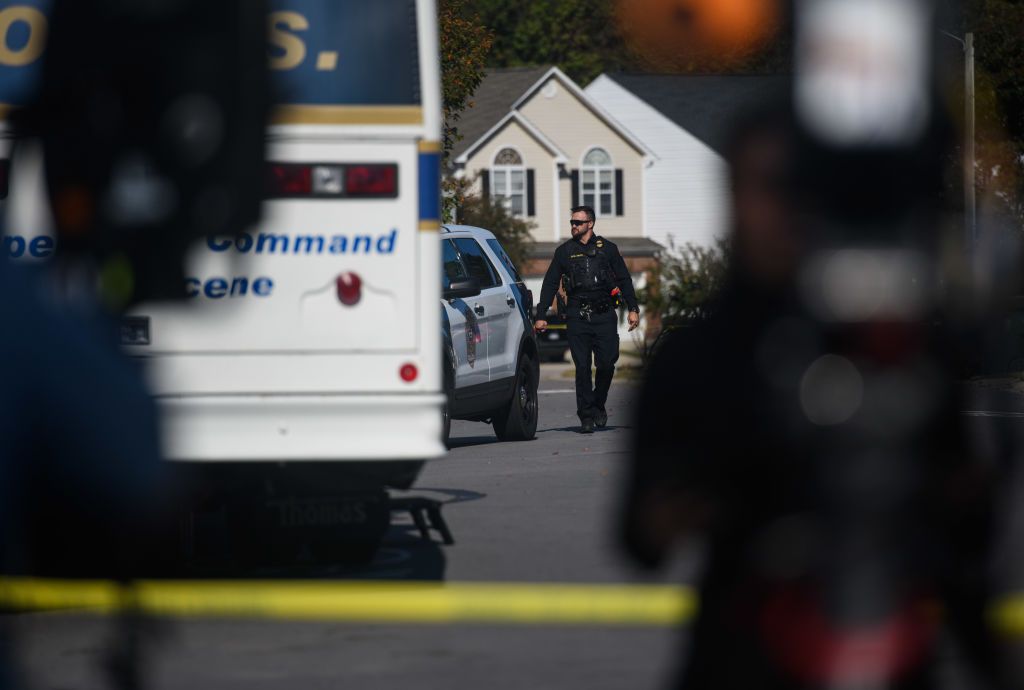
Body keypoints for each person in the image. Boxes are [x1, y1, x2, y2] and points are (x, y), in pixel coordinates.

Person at [534, 206, 639, 433]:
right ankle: (586, 416)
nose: (573, 226)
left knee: (606, 363)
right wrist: (541, 314)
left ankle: (598, 403)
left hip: (604, 315)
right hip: (577, 315)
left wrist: (633, 308)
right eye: (571, 222)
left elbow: (624, 278)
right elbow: (550, 283)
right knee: (582, 367)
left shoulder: (608, 249)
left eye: (578, 222)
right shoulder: (564, 251)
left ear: (590, 224)